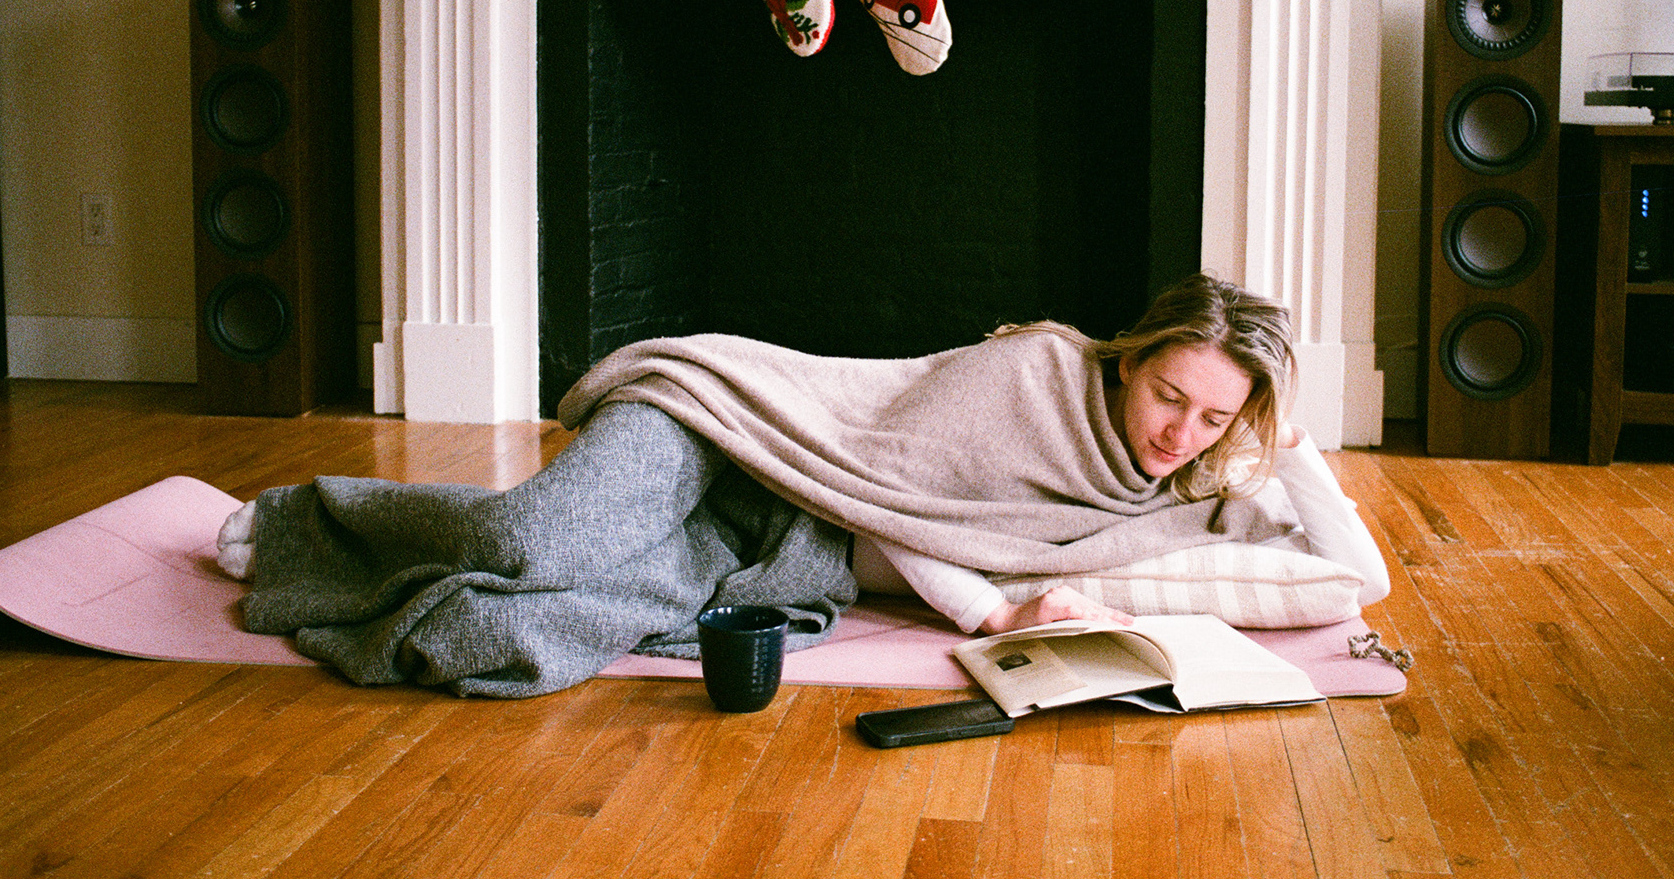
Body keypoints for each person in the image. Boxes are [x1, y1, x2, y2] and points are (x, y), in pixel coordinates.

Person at [217, 273, 1389, 698]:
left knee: (516, 638)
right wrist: (992, 611)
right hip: (725, 430)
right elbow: (884, 491)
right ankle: (300, 519)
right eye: (1169, 394)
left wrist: (1289, 445)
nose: (1181, 431)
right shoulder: (1034, 375)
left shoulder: (1182, 486)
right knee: (537, 541)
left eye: (1216, 416)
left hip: (779, 545)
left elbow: (1356, 577)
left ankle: (338, 576)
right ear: (1129, 358)